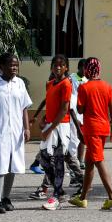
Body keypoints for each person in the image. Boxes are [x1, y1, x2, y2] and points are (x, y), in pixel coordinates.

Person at [0, 53, 32, 214]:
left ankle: (6, 197)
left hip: (16, 131)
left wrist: (26, 128)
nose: (14, 68)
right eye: (11, 65)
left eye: (16, 65)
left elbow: (24, 107)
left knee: (12, 165)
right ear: (2, 66)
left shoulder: (20, 83)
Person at [70, 57, 112, 210]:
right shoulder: (107, 86)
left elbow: (80, 110)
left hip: (92, 129)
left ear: (86, 70)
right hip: (104, 128)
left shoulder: (84, 87)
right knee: (90, 162)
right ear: (99, 70)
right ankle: (83, 198)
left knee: (98, 161)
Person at [37, 55, 72, 210]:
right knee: (43, 159)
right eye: (55, 65)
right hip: (51, 124)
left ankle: (56, 196)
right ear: (51, 67)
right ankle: (60, 191)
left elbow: (64, 109)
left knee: (58, 159)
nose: (58, 67)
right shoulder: (50, 84)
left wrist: (50, 129)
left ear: (66, 68)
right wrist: (44, 119)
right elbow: (51, 105)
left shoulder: (66, 84)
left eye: (61, 65)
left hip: (60, 126)